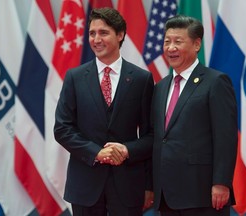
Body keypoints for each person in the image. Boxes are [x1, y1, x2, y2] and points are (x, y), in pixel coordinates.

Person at [54, 7, 154, 216]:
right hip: (85, 185)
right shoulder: (74, 77)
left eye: (103, 33)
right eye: (92, 33)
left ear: (120, 35)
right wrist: (96, 152)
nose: (96, 39)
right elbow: (62, 129)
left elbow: (151, 136)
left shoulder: (141, 79)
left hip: (128, 186)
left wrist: (126, 150)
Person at [151, 15, 238, 216]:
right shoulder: (161, 87)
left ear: (196, 44)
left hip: (202, 192)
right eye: (167, 42)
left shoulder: (216, 82)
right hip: (167, 195)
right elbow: (159, 139)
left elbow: (225, 137)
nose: (171, 48)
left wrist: (221, 182)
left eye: (178, 42)